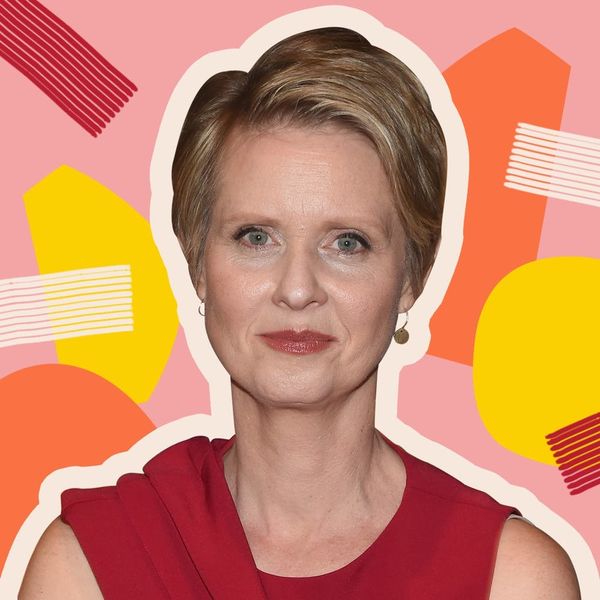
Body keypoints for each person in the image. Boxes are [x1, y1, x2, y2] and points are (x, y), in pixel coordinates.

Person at [18, 27, 580, 599]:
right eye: (256, 237)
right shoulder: (87, 564)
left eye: (348, 243)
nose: (296, 289)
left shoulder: (511, 578)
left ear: (411, 277)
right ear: (197, 262)